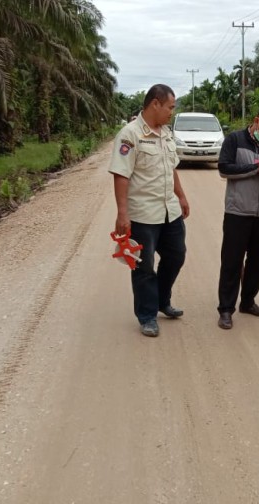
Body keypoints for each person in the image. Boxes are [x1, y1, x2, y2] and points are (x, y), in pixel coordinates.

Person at [108, 84, 190, 338]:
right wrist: (123, 214)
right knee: (143, 267)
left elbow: (171, 166)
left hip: (170, 210)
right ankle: (147, 316)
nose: (171, 113)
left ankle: (161, 300)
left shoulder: (166, 133)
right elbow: (121, 174)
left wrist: (181, 195)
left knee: (176, 256)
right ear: (155, 103)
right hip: (143, 213)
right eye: (170, 107)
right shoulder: (130, 134)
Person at [216, 102, 259, 330]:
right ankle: (226, 309)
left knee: (257, 262)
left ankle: (248, 302)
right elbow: (224, 169)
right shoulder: (235, 139)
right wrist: (257, 167)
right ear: (257, 120)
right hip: (237, 212)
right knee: (231, 262)